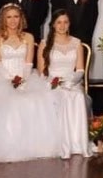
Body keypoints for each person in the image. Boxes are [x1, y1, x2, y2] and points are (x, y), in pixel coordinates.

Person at [0, 3, 60, 161]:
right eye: (9, 17)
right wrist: (11, 80)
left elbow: (28, 63)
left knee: (37, 99)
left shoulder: (28, 37)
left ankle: (34, 144)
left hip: (25, 77)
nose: (13, 21)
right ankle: (9, 145)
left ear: (21, 19)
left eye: (16, 17)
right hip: (2, 77)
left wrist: (22, 79)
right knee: (9, 101)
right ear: (3, 19)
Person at [37, 9, 94, 158]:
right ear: (53, 24)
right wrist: (54, 82)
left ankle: (77, 143)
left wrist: (71, 81)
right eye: (59, 22)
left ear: (69, 24)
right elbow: (42, 71)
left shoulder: (76, 43)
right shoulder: (45, 43)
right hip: (51, 82)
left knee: (77, 96)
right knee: (58, 96)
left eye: (65, 22)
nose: (62, 26)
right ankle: (60, 144)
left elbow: (80, 69)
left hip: (72, 81)